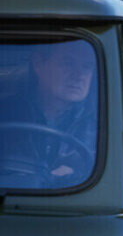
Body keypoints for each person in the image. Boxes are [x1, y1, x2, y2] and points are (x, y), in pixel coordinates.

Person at [0, 37, 98, 188]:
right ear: (38, 64)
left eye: (87, 66)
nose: (79, 76)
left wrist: (76, 175)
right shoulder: (6, 112)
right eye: (68, 63)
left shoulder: (101, 121)